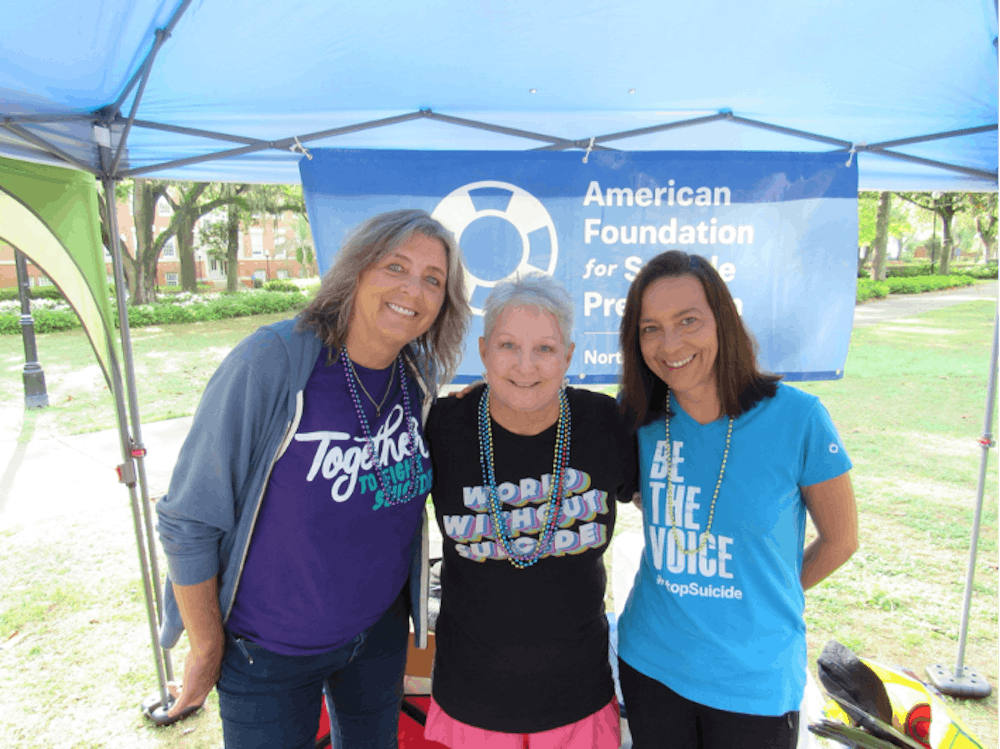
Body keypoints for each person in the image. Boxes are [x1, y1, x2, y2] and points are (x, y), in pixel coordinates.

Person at [154, 209, 471, 748]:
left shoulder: (415, 378)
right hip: (266, 654)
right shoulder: (273, 362)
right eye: (396, 267)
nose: (412, 290)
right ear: (357, 270)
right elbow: (189, 519)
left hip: (377, 639)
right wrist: (206, 648)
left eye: (433, 280)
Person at [615, 250, 858, 749]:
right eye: (650, 328)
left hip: (755, 681)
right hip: (651, 663)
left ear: (722, 321)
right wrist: (480, 400)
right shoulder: (636, 417)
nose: (670, 344)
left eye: (688, 321)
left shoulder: (799, 419)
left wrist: (767, 599)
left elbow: (841, 541)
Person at [422, 274, 634, 749]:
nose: (524, 365)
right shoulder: (441, 425)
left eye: (544, 349)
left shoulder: (608, 424)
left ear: (569, 356)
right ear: (483, 351)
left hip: (577, 696)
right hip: (472, 695)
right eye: (508, 345)